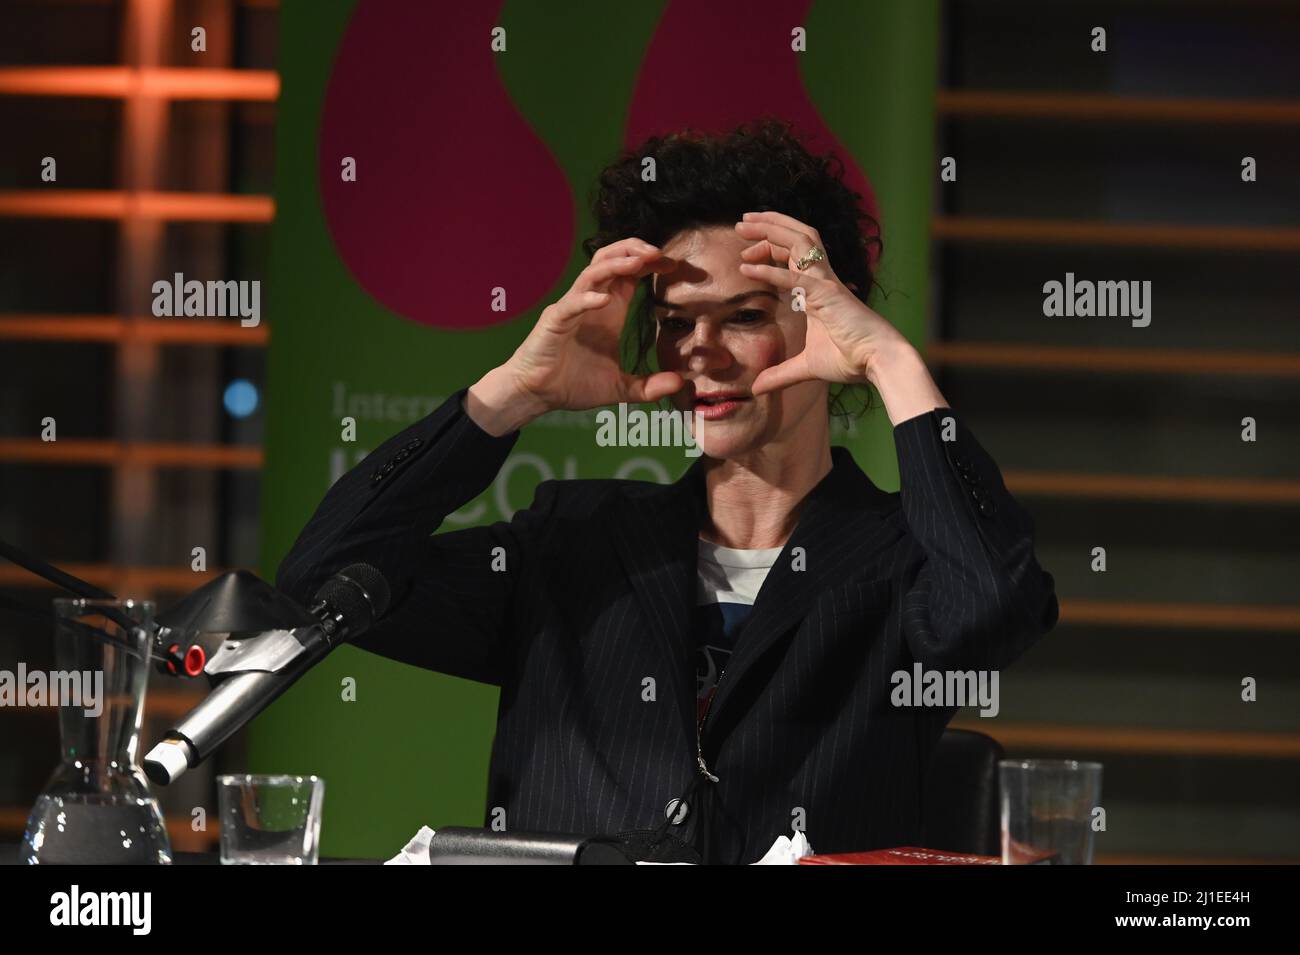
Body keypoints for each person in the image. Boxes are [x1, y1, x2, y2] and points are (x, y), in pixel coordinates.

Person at [275, 118, 1059, 864]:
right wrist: (508, 395)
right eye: (677, 321)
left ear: (827, 317)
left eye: (743, 315)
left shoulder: (907, 560)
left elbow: (991, 610)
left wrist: (892, 362)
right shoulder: (571, 541)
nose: (702, 352)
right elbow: (321, 581)